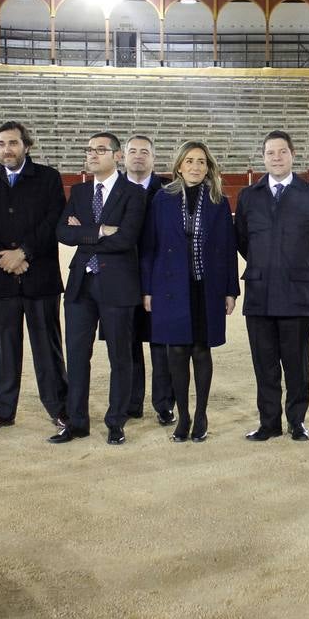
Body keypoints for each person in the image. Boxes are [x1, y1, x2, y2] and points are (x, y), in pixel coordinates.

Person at [0, 121, 68, 432]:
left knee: (47, 347)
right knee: (4, 347)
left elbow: (54, 221)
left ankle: (59, 407)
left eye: (12, 143)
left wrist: (23, 253)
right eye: (0, 144)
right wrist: (3, 258)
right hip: (0, 279)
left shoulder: (48, 178)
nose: (6, 149)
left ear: (27, 146)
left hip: (40, 277)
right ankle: (3, 410)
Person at [235, 130, 309, 442]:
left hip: (296, 292)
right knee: (264, 363)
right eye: (270, 153)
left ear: (292, 155)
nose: (276, 158)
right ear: (262, 158)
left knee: (296, 362)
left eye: (282, 152)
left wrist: (296, 266)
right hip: (260, 292)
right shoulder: (249, 196)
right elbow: (242, 240)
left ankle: (297, 421)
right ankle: (269, 423)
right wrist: (265, 264)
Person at [52, 133, 146, 445]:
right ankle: (76, 422)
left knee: (120, 356)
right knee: (77, 356)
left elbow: (127, 239)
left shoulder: (133, 193)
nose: (92, 155)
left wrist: (86, 233)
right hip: (80, 284)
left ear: (117, 156)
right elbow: (63, 231)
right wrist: (102, 231)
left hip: (118, 285)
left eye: (100, 150)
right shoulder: (79, 191)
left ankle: (116, 422)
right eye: (89, 149)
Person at [141, 141, 239, 442]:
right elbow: (149, 247)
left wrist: (230, 290)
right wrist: (147, 289)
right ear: (179, 166)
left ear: (208, 167)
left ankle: (201, 415)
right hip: (169, 287)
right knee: (176, 351)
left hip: (205, 287)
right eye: (190, 161)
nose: (195, 167)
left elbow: (227, 249)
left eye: (201, 162)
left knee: (201, 349)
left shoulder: (219, 201)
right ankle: (182, 416)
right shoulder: (161, 199)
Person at [120, 134, 174, 426]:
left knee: (160, 342)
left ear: (154, 158)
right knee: (127, 342)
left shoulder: (169, 189)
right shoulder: (111, 187)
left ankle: (164, 404)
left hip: (161, 277)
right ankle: (131, 402)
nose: (138, 156)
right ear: (123, 156)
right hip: (122, 276)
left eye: (145, 152)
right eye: (133, 151)